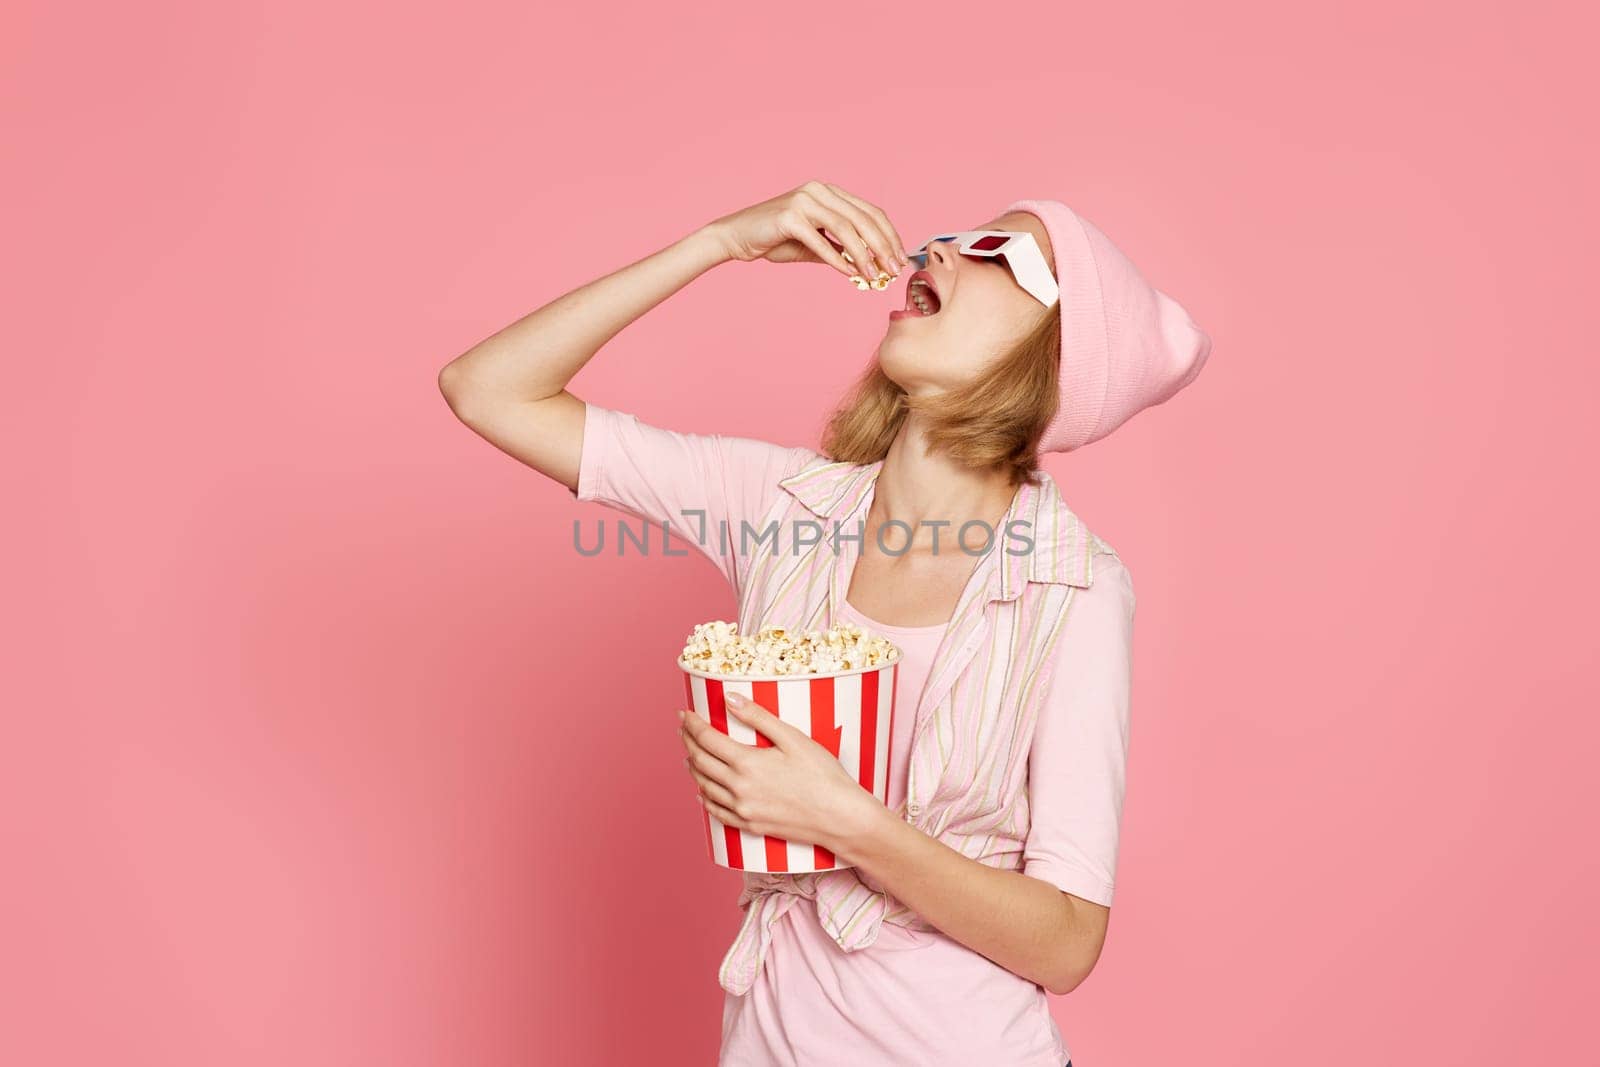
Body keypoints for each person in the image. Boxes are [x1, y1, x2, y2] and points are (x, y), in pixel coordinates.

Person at [438, 181, 1212, 1067]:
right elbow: (486, 388)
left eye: (998, 252)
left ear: (1058, 354)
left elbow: (1069, 940)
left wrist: (850, 823)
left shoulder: (1074, 585)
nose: (941, 248)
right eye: (953, 236)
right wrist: (721, 240)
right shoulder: (778, 508)